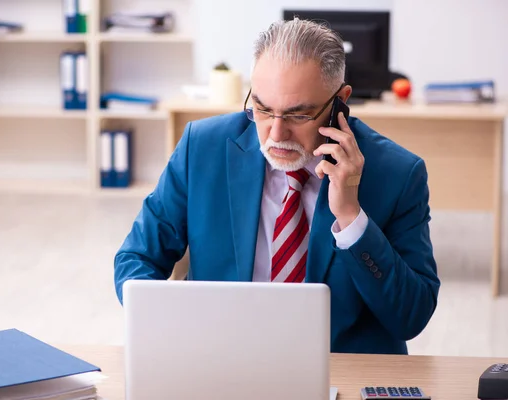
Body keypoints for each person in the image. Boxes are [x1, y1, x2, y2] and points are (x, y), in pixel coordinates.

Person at [113, 18, 440, 355]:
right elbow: (137, 258)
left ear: (341, 101)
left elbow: (411, 317)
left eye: (299, 115)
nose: (276, 133)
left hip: (340, 367)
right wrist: (172, 328)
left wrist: (351, 218)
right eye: (263, 109)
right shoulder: (203, 148)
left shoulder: (398, 173)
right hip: (223, 361)